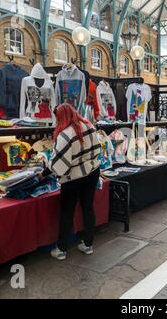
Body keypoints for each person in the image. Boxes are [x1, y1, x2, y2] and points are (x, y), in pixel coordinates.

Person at [41, 104, 101, 261]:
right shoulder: (89, 125)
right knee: (88, 208)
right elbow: (98, 149)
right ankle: (88, 245)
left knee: (67, 212)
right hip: (93, 171)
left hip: (73, 179)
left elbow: (58, 163)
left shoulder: (65, 134)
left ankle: (61, 249)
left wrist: (43, 173)